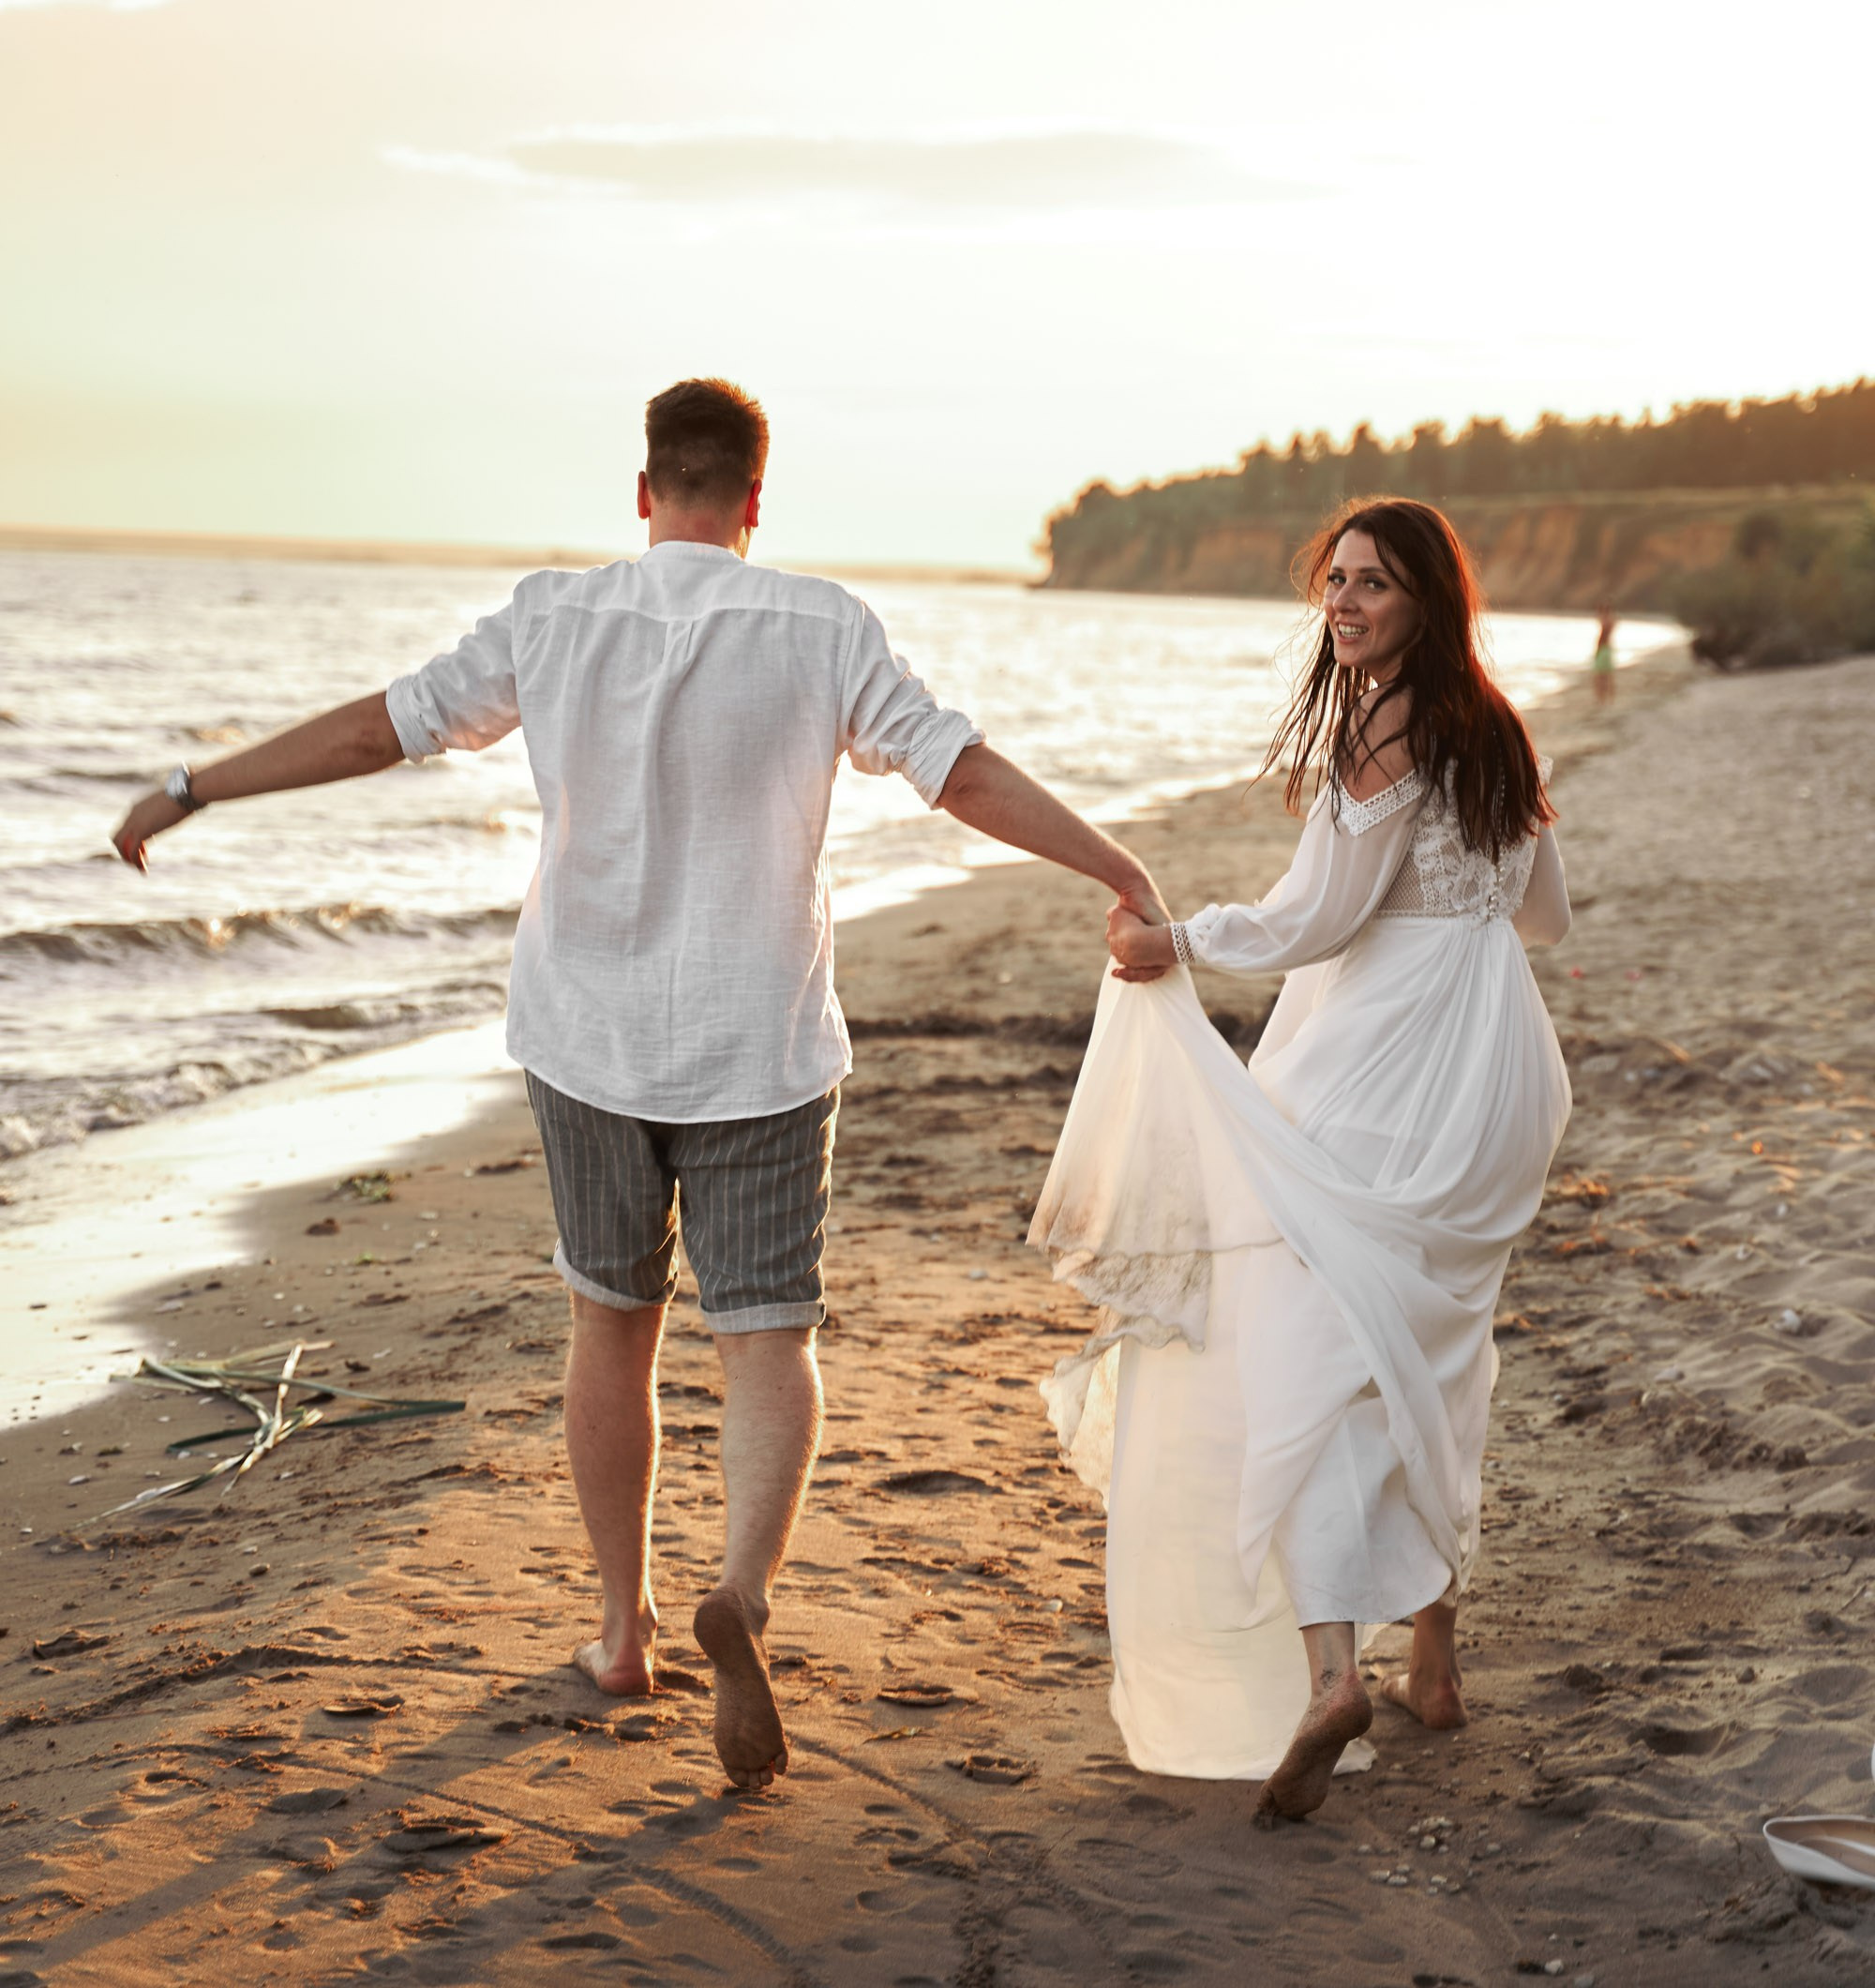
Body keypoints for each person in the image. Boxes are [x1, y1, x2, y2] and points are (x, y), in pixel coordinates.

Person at [112, 376, 1166, 1794]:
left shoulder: (553, 616)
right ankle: (744, 1585)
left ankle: (622, 1629)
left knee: (611, 1324)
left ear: (643, 490)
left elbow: (381, 729)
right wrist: (1119, 867)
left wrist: (194, 786)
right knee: (767, 1335)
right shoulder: (821, 623)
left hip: (588, 1038)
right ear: (751, 502)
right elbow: (957, 775)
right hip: (759, 1045)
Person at [1029, 496, 1571, 1820]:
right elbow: (1543, 912)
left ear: (1425, 603)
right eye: (1331, 582)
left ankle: (1332, 1668)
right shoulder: (1494, 726)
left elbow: (1319, 916)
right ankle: (1432, 1658)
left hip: (1385, 1059)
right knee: (1428, 1348)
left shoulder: (1387, 723)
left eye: (1372, 586)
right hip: (1496, 1065)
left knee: (1304, 1347)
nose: (1343, 605)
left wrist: (1181, 936)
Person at [1593, 604, 1618, 704]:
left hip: (1603, 649)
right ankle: (1610, 699)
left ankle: (1602, 698)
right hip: (1607, 649)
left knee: (1600, 676)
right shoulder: (1611, 621)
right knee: (1607, 675)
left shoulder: (1606, 622)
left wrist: (1598, 650)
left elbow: (1602, 637)